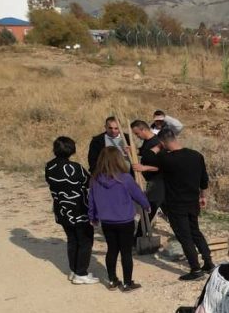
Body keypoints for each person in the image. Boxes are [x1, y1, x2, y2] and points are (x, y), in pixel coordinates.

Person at [88, 146, 151, 291]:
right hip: (125, 221)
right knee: (126, 252)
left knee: (112, 250)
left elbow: (91, 199)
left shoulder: (96, 179)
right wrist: (146, 205)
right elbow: (138, 195)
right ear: (119, 160)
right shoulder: (125, 178)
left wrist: (93, 216)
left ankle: (112, 281)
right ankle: (127, 283)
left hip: (107, 222)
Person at [156, 128, 214, 281]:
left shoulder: (166, 159)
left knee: (185, 236)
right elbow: (204, 180)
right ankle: (208, 263)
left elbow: (151, 158)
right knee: (195, 232)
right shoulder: (196, 156)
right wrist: (203, 196)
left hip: (176, 204)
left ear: (162, 142)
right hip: (193, 201)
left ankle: (195, 269)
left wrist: (158, 148)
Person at [44, 136, 97, 285]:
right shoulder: (75, 168)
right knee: (85, 240)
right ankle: (81, 273)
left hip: (61, 209)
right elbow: (89, 183)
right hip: (78, 209)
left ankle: (74, 270)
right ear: (72, 150)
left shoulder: (49, 166)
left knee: (72, 239)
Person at [129, 119, 165, 235]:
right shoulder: (147, 141)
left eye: (137, 133)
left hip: (159, 181)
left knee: (149, 208)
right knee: (167, 209)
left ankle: (138, 237)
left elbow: (162, 167)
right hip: (153, 181)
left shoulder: (157, 143)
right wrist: (134, 150)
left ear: (143, 129)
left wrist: (144, 168)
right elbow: (145, 152)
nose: (137, 136)